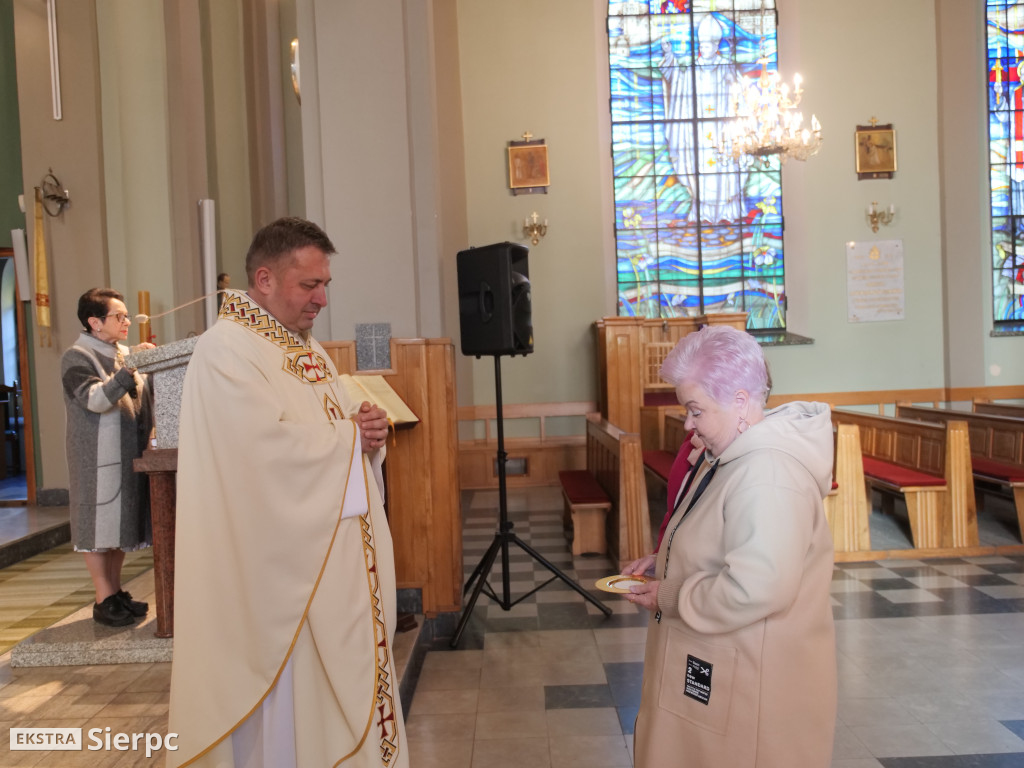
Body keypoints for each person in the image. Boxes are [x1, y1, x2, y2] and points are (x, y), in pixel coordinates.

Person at [168, 217, 409, 768]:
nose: (322, 298)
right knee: (287, 732)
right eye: (309, 285)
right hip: (279, 586)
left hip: (332, 567)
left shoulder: (304, 348)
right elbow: (259, 460)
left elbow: (322, 430)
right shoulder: (226, 350)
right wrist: (349, 439)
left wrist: (363, 431)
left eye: (326, 285)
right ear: (265, 278)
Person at [623, 325, 836, 767]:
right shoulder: (730, 453)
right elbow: (711, 535)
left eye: (695, 409)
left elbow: (756, 586)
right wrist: (666, 559)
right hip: (719, 665)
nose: (688, 423)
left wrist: (671, 593)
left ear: (740, 400)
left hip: (751, 679)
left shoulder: (768, 474)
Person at [60, 288, 155, 627]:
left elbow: (139, 397)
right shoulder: (77, 356)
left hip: (126, 453)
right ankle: (103, 598)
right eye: (120, 316)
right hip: (95, 457)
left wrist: (146, 365)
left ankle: (115, 592)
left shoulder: (120, 354)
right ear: (95, 322)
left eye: (127, 315)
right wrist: (129, 369)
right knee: (99, 527)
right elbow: (96, 399)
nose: (127, 321)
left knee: (117, 526)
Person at [659, 13, 745, 224]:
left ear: (716, 46)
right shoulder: (691, 70)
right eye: (701, 46)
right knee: (702, 169)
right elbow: (675, 80)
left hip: (723, 131)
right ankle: (704, 212)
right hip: (699, 132)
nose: (703, 50)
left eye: (707, 46)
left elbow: (740, 96)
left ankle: (728, 212)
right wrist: (669, 56)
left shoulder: (727, 66)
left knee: (724, 168)